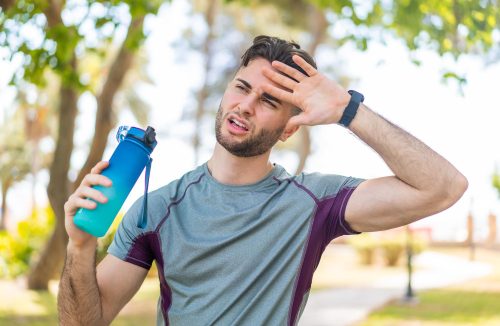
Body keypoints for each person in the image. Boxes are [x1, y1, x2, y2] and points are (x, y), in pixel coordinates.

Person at [58, 35, 468, 325]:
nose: (246, 106)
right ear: (225, 95)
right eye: (241, 88)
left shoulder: (313, 202)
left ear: (290, 128)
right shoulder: (156, 209)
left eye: (269, 101)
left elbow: (443, 187)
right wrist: (79, 246)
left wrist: (348, 110)